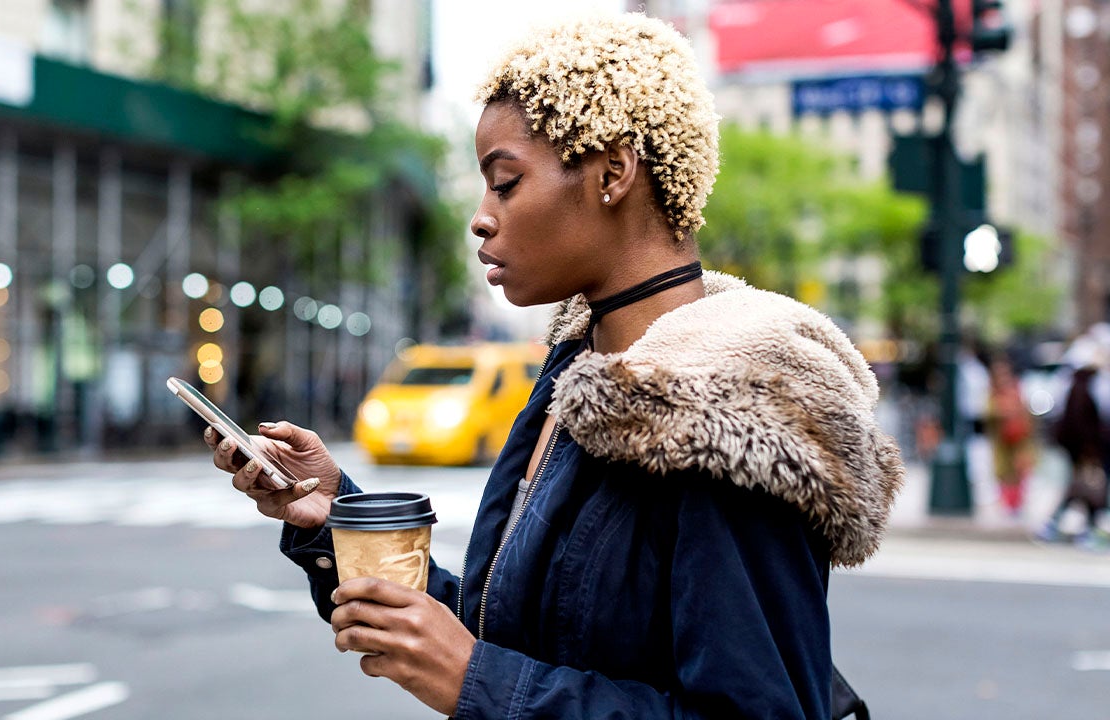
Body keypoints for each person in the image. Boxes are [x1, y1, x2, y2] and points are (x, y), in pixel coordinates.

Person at [206, 13, 903, 718]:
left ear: (613, 173)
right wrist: (337, 519)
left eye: (505, 182)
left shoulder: (733, 413)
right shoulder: (578, 370)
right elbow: (515, 636)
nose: (480, 217)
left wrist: (474, 680)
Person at [1035, 337, 1110, 549]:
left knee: (1082, 487)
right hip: (1090, 448)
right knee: (1089, 487)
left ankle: (1066, 526)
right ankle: (1082, 529)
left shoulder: (1067, 382)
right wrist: (1091, 448)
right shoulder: (1093, 384)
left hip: (1078, 447)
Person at [984, 355, 1033, 516]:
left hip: (1018, 440)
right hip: (1001, 441)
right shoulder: (992, 393)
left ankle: (1016, 505)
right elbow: (988, 412)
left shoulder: (1017, 389)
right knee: (1003, 474)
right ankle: (1007, 504)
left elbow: (1026, 414)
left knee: (1019, 471)